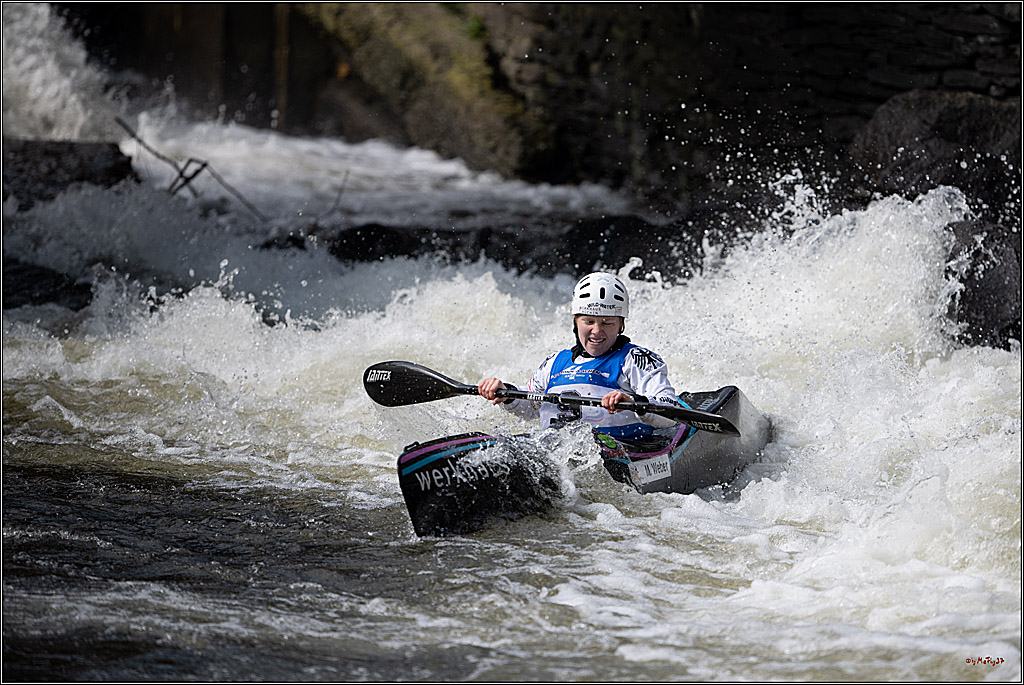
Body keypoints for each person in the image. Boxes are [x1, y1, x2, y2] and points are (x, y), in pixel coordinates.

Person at [478, 272, 688, 440]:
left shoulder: (636, 359)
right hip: (558, 454)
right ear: (575, 322)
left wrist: (632, 401)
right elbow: (532, 405)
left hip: (622, 455)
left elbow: (669, 408)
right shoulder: (554, 363)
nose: (597, 331)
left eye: (607, 323)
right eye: (588, 322)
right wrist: (506, 394)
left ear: (621, 324)